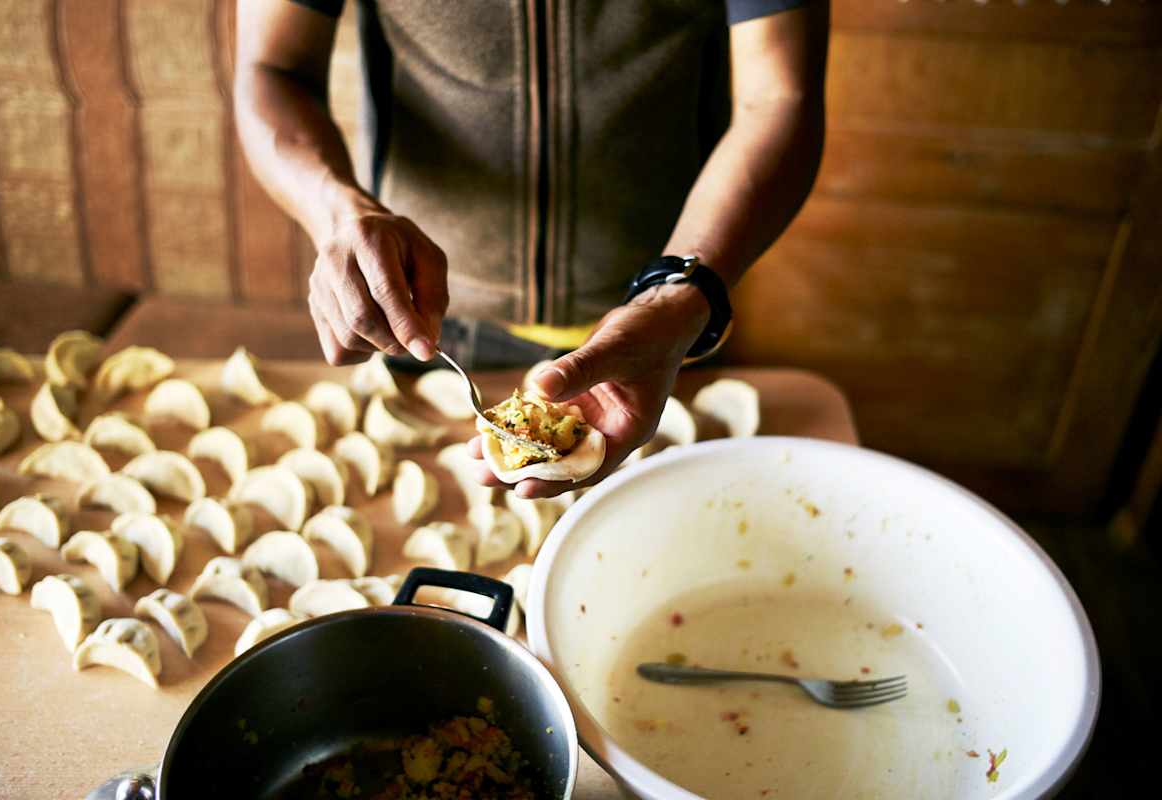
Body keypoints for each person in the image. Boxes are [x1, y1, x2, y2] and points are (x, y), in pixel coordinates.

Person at [235, 0, 828, 498]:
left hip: (670, 318)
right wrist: (338, 210)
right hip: (425, 318)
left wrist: (677, 292)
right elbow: (271, 67)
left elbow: (778, 98)